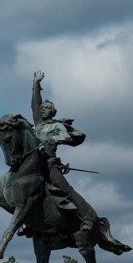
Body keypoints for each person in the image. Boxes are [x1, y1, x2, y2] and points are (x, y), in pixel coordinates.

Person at [31, 71, 95, 234]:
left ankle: (87, 218)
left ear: (52, 112)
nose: (43, 110)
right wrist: (36, 85)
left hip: (49, 164)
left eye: (47, 109)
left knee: (66, 189)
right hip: (35, 163)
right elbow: (34, 104)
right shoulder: (38, 124)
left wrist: (54, 139)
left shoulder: (56, 126)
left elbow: (66, 137)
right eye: (42, 108)